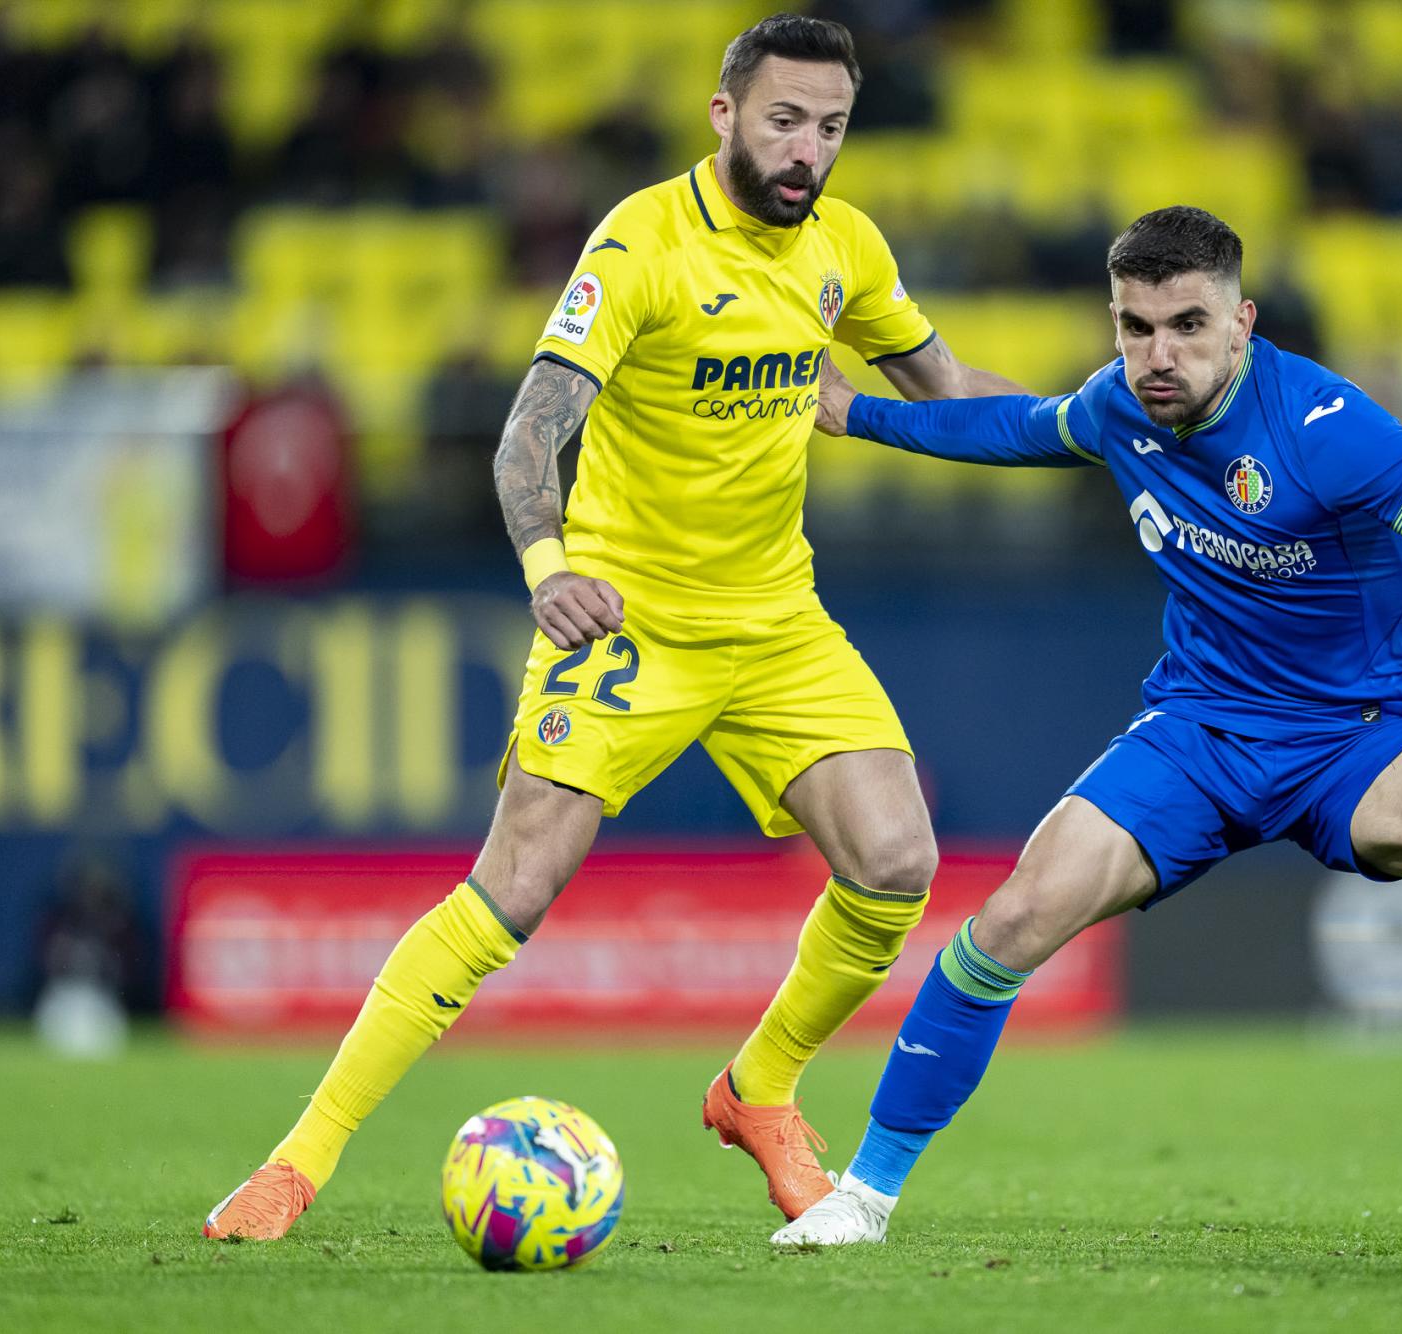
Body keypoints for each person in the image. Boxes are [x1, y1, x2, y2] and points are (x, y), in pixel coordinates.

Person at [203, 13, 1026, 1241]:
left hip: (776, 619)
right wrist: (548, 564)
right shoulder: (643, 240)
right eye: (785, 120)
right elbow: (528, 431)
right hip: (628, 618)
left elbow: (950, 393)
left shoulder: (845, 246)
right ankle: (294, 1163)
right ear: (725, 114)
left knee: (897, 859)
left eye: (832, 126)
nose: (808, 149)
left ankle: (758, 1089)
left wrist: (1094, 426)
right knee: (518, 881)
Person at [775, 205, 1402, 1247]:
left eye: (1186, 326)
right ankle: (864, 1193)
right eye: (1134, 326)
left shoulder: (1331, 432)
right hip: (1195, 732)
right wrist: (857, 415)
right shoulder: (1119, 407)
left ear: (1240, 323)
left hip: (1360, 735)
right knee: (1009, 919)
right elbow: (1009, 429)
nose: (1157, 355)